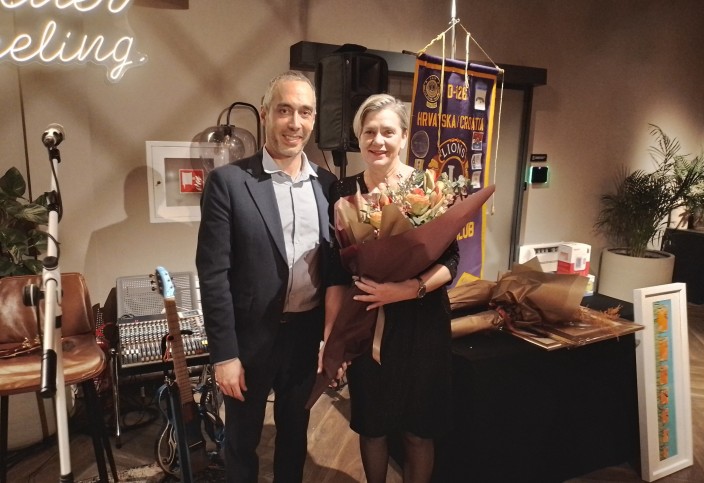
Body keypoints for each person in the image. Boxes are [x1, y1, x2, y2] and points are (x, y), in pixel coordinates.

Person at [196, 70, 337, 483]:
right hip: (248, 341)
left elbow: (336, 271)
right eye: (284, 110)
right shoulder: (228, 182)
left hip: (305, 338)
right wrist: (224, 355)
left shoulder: (329, 186)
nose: (295, 123)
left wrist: (334, 340)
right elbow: (214, 275)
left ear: (314, 119)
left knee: (295, 437)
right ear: (264, 114)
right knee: (241, 443)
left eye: (305, 112)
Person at [323, 93, 459, 483]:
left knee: (418, 430)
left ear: (403, 137)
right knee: (373, 426)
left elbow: (452, 261)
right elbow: (336, 270)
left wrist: (408, 289)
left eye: (387, 132)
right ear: (359, 138)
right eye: (369, 132)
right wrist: (333, 336)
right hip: (368, 322)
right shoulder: (342, 191)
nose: (378, 141)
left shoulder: (428, 187)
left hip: (422, 323)